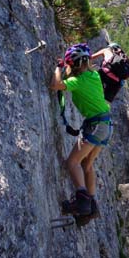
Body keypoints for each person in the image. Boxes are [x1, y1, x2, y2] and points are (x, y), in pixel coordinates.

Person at [50, 43, 112, 218]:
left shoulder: (77, 81)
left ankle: (83, 202)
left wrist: (58, 68)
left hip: (95, 125)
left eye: (70, 64)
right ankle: (92, 207)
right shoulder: (94, 75)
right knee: (87, 164)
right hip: (106, 125)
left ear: (75, 64)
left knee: (72, 162)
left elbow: (56, 85)